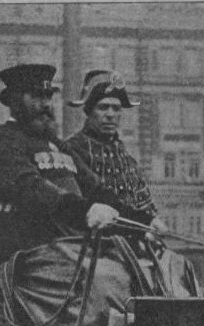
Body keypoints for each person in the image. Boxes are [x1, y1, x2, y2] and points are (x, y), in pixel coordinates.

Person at [0, 63, 120, 276]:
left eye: (49, 97)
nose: (46, 104)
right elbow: (32, 189)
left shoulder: (57, 145)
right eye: (37, 97)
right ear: (15, 100)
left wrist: (145, 221)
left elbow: (95, 188)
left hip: (59, 247)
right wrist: (86, 210)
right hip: (14, 249)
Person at [62, 70, 163, 231]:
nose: (110, 115)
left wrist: (153, 224)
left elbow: (145, 207)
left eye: (116, 109)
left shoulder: (127, 158)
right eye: (103, 107)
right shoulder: (71, 149)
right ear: (89, 111)